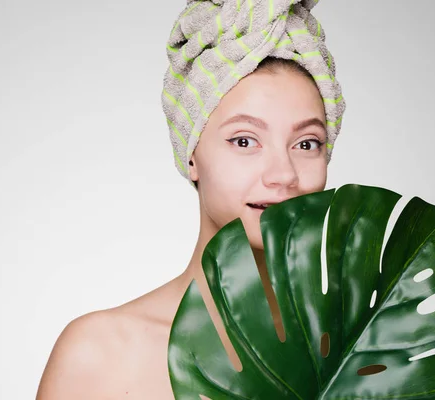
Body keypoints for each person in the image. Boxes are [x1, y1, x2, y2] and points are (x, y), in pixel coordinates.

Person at [36, 1, 345, 398]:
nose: (284, 174)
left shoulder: (361, 349)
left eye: (306, 143)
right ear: (193, 154)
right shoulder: (102, 356)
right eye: (245, 141)